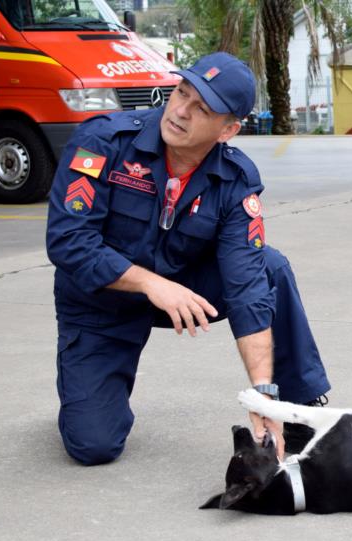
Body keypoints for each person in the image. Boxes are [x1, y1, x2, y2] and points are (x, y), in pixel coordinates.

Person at [46, 52, 330, 466]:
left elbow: (246, 287)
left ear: (227, 129)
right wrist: (150, 283)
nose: (179, 111)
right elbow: (68, 240)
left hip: (185, 289)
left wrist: (262, 394)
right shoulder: (104, 142)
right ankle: (88, 391)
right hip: (101, 300)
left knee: (269, 267)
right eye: (182, 92)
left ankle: (298, 410)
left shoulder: (235, 180)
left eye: (202, 108)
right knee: (94, 445)